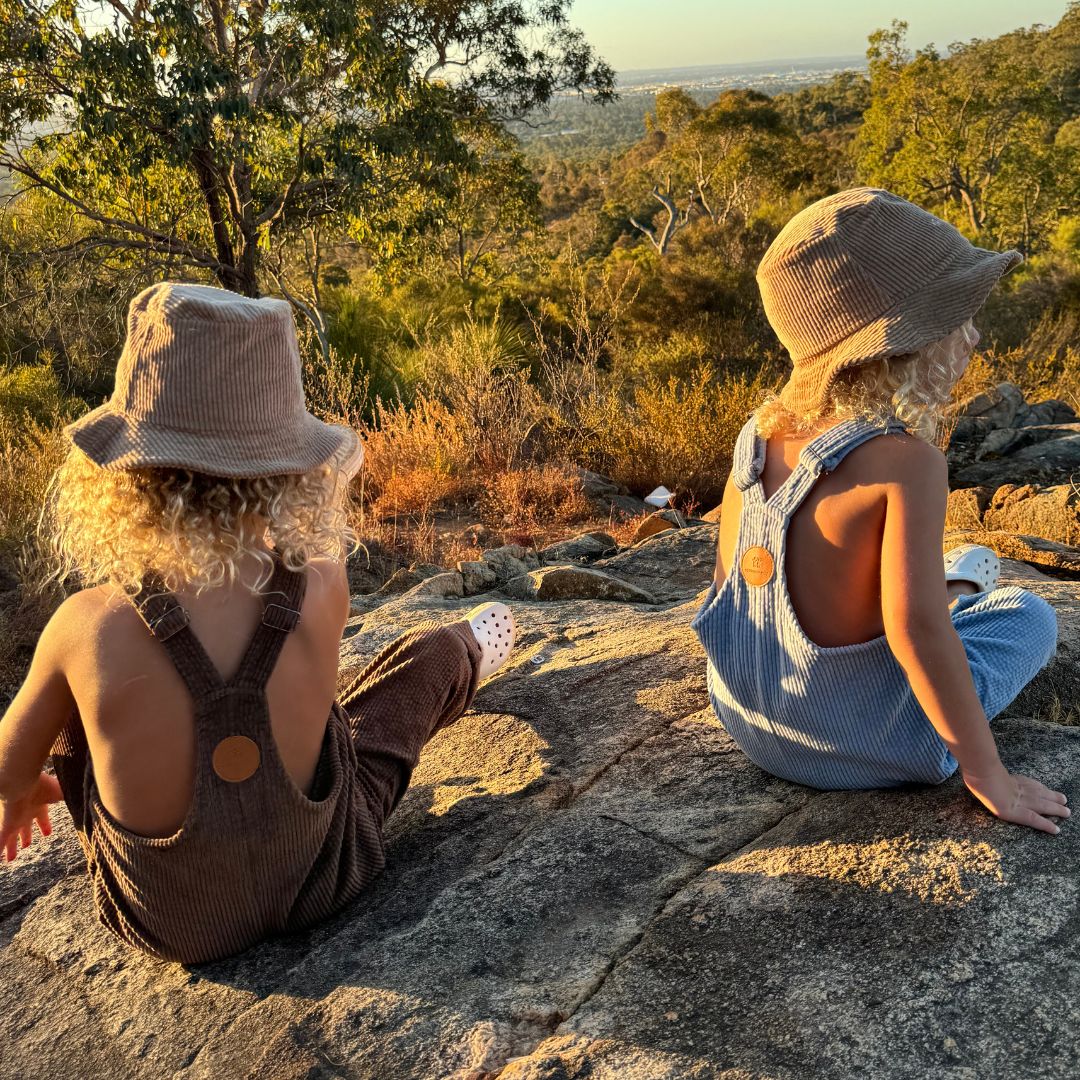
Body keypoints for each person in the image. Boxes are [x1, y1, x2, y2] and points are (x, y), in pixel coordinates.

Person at [0, 282, 516, 964]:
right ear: (290, 472)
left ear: (122, 478)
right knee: (389, 704)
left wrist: (31, 792)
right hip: (324, 878)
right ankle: (464, 652)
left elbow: (7, 763)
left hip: (169, 927)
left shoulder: (85, 623)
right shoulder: (321, 582)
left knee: (74, 708)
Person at [693, 187, 1068, 834]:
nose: (973, 336)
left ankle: (951, 585)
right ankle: (955, 591)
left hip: (754, 725)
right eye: (956, 316)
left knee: (930, 587)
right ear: (900, 345)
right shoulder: (906, 464)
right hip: (871, 745)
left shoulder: (754, 436)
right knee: (1027, 614)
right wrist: (987, 776)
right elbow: (916, 633)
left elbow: (739, 586)